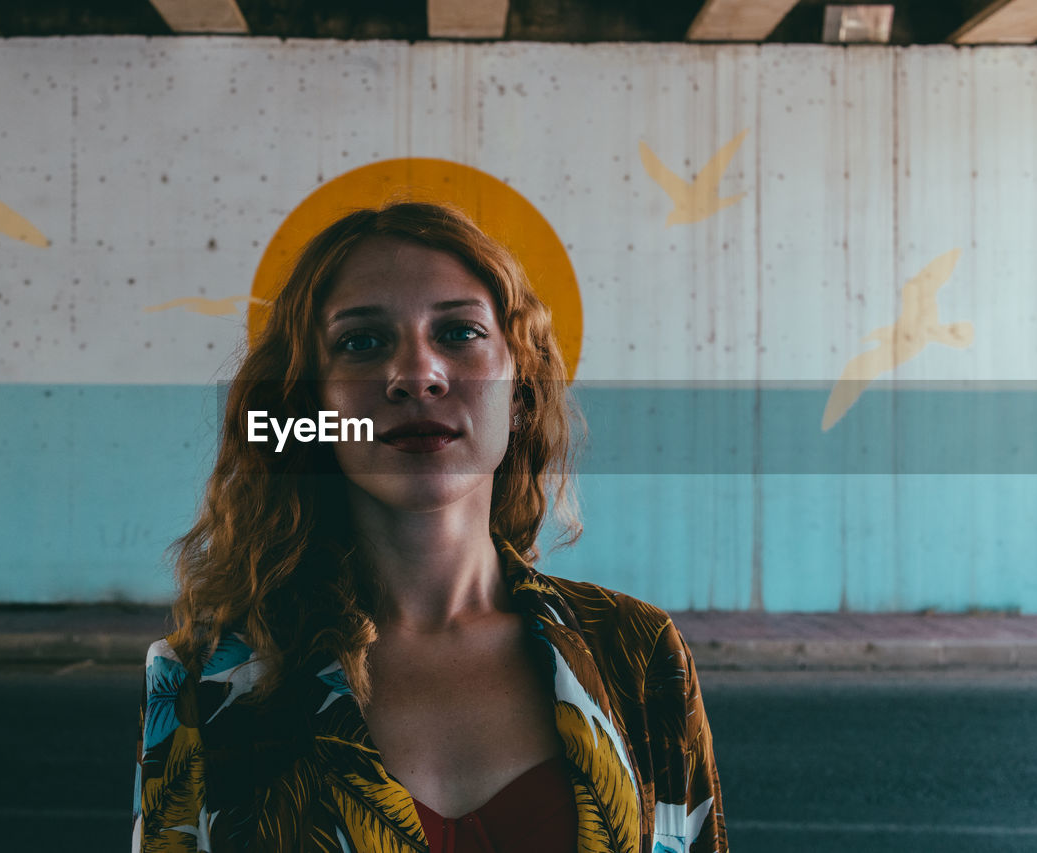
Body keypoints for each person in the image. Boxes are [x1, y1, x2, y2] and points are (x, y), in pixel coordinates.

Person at [132, 201, 728, 853]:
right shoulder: (203, 681)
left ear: (520, 388)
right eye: (361, 342)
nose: (416, 374)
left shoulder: (640, 655)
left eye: (459, 332)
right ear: (310, 409)